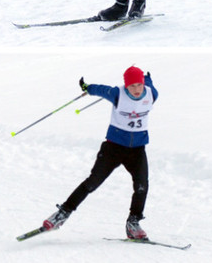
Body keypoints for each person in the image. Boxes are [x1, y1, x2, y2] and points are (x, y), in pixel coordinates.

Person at [42, 66, 158, 242]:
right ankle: (62, 213)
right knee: (92, 183)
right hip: (113, 149)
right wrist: (87, 88)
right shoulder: (117, 94)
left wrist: (147, 79)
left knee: (142, 186)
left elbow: (148, 83)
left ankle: (133, 223)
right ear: (126, 85)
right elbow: (100, 89)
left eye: (139, 85)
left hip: (138, 150)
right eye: (132, 85)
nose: (136, 89)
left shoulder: (151, 94)